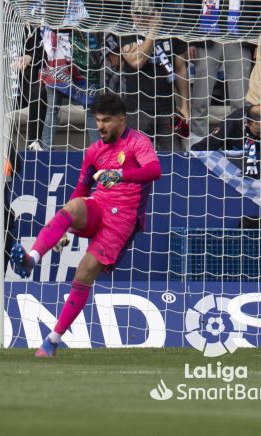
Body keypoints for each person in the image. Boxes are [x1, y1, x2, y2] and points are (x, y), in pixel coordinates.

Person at [10, 92, 161, 357]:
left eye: (106, 121)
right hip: (99, 206)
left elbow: (154, 171)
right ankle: (31, 259)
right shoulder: (93, 151)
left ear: (122, 120)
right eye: (97, 120)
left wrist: (120, 174)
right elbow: (82, 188)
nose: (100, 126)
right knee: (72, 206)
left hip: (123, 221)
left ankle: (52, 340)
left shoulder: (138, 142)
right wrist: (65, 226)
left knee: (83, 275)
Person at [189, 0, 261, 146]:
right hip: (206, 37)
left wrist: (256, 42)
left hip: (238, 38)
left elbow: (259, 7)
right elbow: (190, 3)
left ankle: (240, 143)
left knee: (241, 101)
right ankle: (198, 145)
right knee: (200, 99)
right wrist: (190, 39)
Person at [120, 0, 190, 151]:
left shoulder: (171, 33)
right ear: (131, 13)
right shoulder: (126, 33)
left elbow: (180, 69)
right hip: (137, 112)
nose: (141, 17)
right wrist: (153, 32)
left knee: (175, 160)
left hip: (167, 111)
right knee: (139, 162)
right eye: (137, 13)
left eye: (146, 13)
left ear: (154, 13)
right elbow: (137, 61)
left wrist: (185, 105)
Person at [193, 104, 261, 164]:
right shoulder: (231, 123)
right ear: (247, 124)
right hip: (239, 163)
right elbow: (201, 147)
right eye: (257, 131)